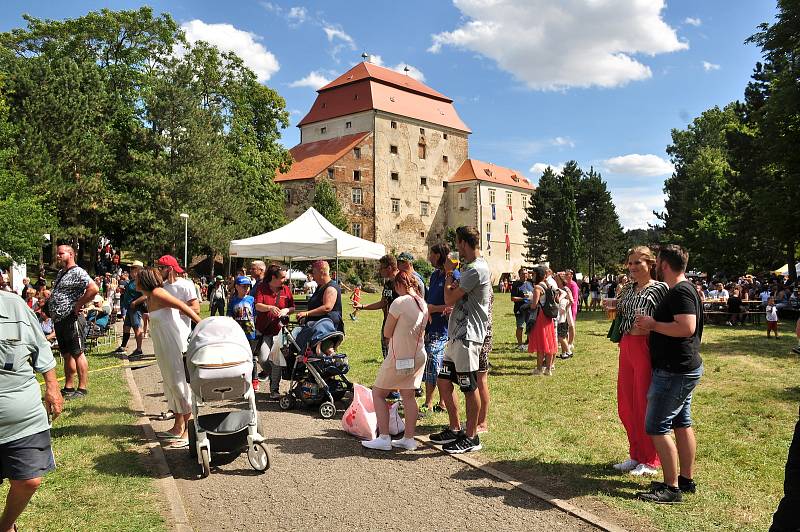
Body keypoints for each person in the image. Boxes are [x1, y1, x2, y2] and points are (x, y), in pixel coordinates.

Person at [634, 244, 703, 504]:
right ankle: (684, 479)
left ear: (663, 264)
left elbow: (686, 327)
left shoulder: (680, 292)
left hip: (675, 370)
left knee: (656, 426)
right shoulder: (687, 288)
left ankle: (671, 488)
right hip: (684, 368)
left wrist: (653, 324)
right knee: (682, 423)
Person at [0, 291, 64, 532]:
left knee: (29, 480)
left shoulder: (14, 306)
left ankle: (5, 527)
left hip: (22, 417)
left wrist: (53, 387)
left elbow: (42, 350)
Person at [430, 226, 491, 454]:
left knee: (468, 386)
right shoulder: (470, 269)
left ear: (464, 243)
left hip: (469, 337)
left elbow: (449, 298)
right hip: (457, 335)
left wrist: (448, 274)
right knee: (443, 381)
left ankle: (471, 436)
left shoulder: (476, 270)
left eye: (458, 243)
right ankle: (455, 428)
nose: (457, 248)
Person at [612, 246, 669, 478]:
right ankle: (635, 453)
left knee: (643, 402)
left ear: (650, 264)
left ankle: (650, 459)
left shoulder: (659, 289)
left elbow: (666, 318)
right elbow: (622, 312)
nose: (633, 267)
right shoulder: (627, 287)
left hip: (646, 347)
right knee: (626, 402)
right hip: (626, 345)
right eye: (631, 263)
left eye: (638, 262)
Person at [362, 271, 428, 451]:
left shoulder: (399, 302)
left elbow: (387, 332)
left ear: (399, 285)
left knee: (378, 393)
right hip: (418, 354)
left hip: (399, 355)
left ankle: (384, 437)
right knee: (409, 396)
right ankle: (408, 438)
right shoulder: (422, 303)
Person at [137, 267, 201, 447]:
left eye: (137, 278)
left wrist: (201, 324)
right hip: (162, 345)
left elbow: (182, 305)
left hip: (173, 344)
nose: (135, 281)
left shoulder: (158, 293)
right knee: (170, 384)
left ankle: (190, 432)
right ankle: (178, 426)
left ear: (145, 280)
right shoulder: (150, 295)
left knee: (179, 384)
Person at [50, 245, 98, 400]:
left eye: (60, 253)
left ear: (70, 254)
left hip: (72, 318)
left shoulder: (78, 272)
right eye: (57, 253)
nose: (58, 256)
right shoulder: (61, 273)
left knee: (78, 353)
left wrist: (78, 304)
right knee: (66, 354)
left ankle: (82, 388)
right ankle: (68, 387)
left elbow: (93, 288)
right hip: (60, 320)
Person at [421, 243, 459, 415]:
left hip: (444, 329)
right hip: (431, 327)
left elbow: (454, 303)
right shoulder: (436, 275)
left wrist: (433, 309)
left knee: (435, 364)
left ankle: (436, 402)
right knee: (432, 364)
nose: (429, 257)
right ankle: (435, 402)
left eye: (431, 254)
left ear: (439, 255)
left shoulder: (453, 276)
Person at [253, 265, 295, 399]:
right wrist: (269, 307)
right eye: (282, 277)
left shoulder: (286, 289)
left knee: (276, 360)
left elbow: (292, 306)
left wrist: (287, 310)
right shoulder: (262, 288)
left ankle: (274, 390)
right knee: (263, 359)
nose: (285, 279)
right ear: (273, 277)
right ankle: (274, 376)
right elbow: (257, 305)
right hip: (264, 331)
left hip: (280, 331)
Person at [354, 255, 400, 359]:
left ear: (389, 268)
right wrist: (362, 306)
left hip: (398, 326)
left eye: (381, 268)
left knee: (395, 359)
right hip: (387, 323)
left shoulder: (401, 282)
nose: (379, 270)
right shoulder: (388, 283)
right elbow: (383, 303)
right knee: (387, 357)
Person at [526, 266, 558, 376]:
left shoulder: (537, 288)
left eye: (533, 274)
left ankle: (539, 369)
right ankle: (548, 369)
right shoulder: (547, 285)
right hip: (548, 316)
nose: (532, 276)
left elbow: (534, 305)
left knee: (541, 343)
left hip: (540, 317)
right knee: (549, 341)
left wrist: (528, 304)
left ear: (537, 275)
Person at [296, 260, 343, 332]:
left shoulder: (331, 288)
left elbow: (327, 307)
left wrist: (307, 313)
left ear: (322, 272)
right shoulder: (320, 286)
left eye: (314, 273)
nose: (313, 277)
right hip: (317, 328)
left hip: (327, 330)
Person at [157, 255, 200, 330]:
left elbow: (196, 309)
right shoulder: (161, 287)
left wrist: (173, 312)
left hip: (182, 332)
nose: (158, 271)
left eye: (161, 268)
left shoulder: (186, 285)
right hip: (165, 331)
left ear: (170, 269)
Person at [114, 260, 145, 358]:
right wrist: (122, 291)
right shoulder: (132, 281)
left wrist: (135, 302)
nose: (130, 271)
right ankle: (123, 346)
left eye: (133, 269)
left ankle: (139, 349)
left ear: (138, 270)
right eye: (131, 269)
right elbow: (128, 292)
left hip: (136, 309)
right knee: (126, 327)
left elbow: (146, 296)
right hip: (129, 309)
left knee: (137, 328)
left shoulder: (141, 282)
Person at [510, 268, 533, 351]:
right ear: (519, 275)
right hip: (520, 309)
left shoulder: (530, 283)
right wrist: (523, 298)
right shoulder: (516, 284)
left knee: (530, 327)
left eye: (526, 273)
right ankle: (520, 345)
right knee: (520, 327)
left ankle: (529, 343)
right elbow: (513, 298)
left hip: (530, 308)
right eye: (523, 273)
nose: (525, 275)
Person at [554, 274, 574, 360]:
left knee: (561, 336)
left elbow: (572, 300)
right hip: (561, 315)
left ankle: (568, 351)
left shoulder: (565, 289)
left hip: (564, 315)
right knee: (563, 335)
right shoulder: (558, 289)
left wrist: (565, 306)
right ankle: (564, 353)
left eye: (557, 279)